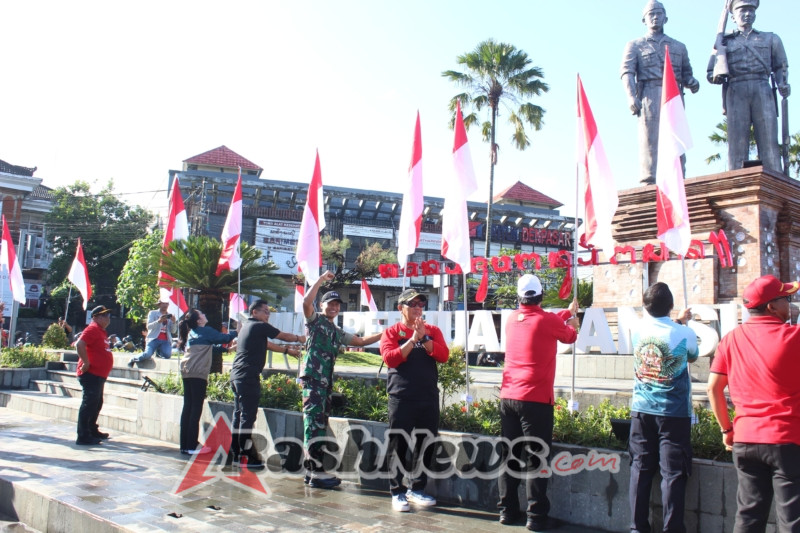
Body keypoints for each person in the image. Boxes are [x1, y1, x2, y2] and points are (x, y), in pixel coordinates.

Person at [707, 275, 800, 532]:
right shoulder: (794, 337)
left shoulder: (731, 338)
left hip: (745, 440)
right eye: (787, 299)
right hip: (787, 440)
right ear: (771, 306)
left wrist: (727, 431)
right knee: (792, 519)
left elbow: (713, 388)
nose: (790, 305)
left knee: (748, 517)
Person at [497, 274, 579, 530]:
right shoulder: (547, 321)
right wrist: (573, 321)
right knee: (536, 459)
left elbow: (545, 321)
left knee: (509, 456)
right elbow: (569, 337)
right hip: (535, 400)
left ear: (519, 297)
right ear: (541, 295)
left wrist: (565, 313)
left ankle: (507, 512)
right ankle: (536, 517)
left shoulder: (511, 319)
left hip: (508, 396)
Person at [301, 270, 382, 489]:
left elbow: (361, 340)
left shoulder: (336, 331)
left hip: (325, 384)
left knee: (320, 425)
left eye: (337, 305)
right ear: (322, 305)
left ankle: (314, 471)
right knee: (313, 425)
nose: (334, 307)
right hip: (313, 382)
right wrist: (320, 280)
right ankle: (313, 471)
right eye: (330, 303)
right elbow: (306, 301)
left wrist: (387, 334)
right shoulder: (314, 321)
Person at [629, 282, 698, 533]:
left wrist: (676, 322)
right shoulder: (684, 333)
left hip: (641, 410)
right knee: (673, 474)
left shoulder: (635, 329)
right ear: (670, 305)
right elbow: (691, 355)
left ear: (645, 305)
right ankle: (672, 528)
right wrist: (680, 323)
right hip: (673, 413)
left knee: (640, 469)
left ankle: (637, 527)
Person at [380, 288, 448, 512]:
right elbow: (391, 359)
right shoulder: (391, 332)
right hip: (401, 397)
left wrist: (424, 338)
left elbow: (443, 355)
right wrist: (412, 339)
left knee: (425, 443)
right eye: (413, 305)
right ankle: (397, 491)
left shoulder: (433, 330)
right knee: (398, 444)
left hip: (427, 396)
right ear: (401, 308)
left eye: (421, 305)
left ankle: (417, 488)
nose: (418, 309)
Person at [621, 0, 700, 184]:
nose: (655, 17)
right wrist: (631, 96)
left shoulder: (679, 46)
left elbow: (687, 73)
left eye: (659, 14)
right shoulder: (635, 45)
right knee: (650, 138)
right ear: (644, 20)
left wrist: (692, 82)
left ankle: (678, 178)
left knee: (676, 138)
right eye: (651, 14)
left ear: (666, 18)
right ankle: (649, 180)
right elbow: (627, 72)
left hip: (673, 97)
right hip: (649, 94)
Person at [707, 0, 790, 173]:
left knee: (769, 144)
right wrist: (719, 70)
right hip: (736, 90)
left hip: (762, 88)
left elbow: (780, 67)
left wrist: (783, 83)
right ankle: (736, 186)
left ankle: (775, 184)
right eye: (743, 10)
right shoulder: (724, 41)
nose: (747, 14)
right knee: (737, 145)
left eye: (751, 10)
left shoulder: (770, 38)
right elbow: (710, 74)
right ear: (732, 16)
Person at [229, 299, 305, 470]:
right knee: (248, 417)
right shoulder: (259, 326)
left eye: (269, 311)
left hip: (237, 376)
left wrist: (287, 351)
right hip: (248, 377)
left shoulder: (247, 327)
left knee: (239, 415)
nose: (267, 314)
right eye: (264, 311)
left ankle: (236, 453)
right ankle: (248, 456)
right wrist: (303, 338)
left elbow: (267, 344)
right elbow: (282, 336)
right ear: (254, 312)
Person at [177, 308, 238, 455]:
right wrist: (238, 331)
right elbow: (223, 338)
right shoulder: (205, 330)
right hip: (198, 373)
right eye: (202, 314)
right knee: (195, 408)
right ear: (199, 320)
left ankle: (185, 445)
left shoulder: (194, 333)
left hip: (187, 371)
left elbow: (208, 347)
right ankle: (192, 446)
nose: (205, 314)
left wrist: (227, 351)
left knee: (188, 407)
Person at [75, 306, 114, 445]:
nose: (107, 318)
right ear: (95, 317)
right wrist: (85, 362)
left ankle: (92, 429)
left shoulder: (101, 331)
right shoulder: (92, 329)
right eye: (104, 315)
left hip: (98, 374)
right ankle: (83, 435)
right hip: (91, 373)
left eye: (108, 315)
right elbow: (79, 344)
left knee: (96, 403)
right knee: (89, 403)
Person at [128, 299, 177, 367]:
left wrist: (174, 322)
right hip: (153, 339)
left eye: (166, 303)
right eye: (163, 303)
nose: (165, 305)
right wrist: (158, 321)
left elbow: (173, 331)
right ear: (159, 304)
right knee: (147, 354)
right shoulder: (153, 313)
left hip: (165, 340)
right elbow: (149, 326)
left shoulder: (170, 315)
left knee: (167, 355)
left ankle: (159, 352)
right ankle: (133, 359)